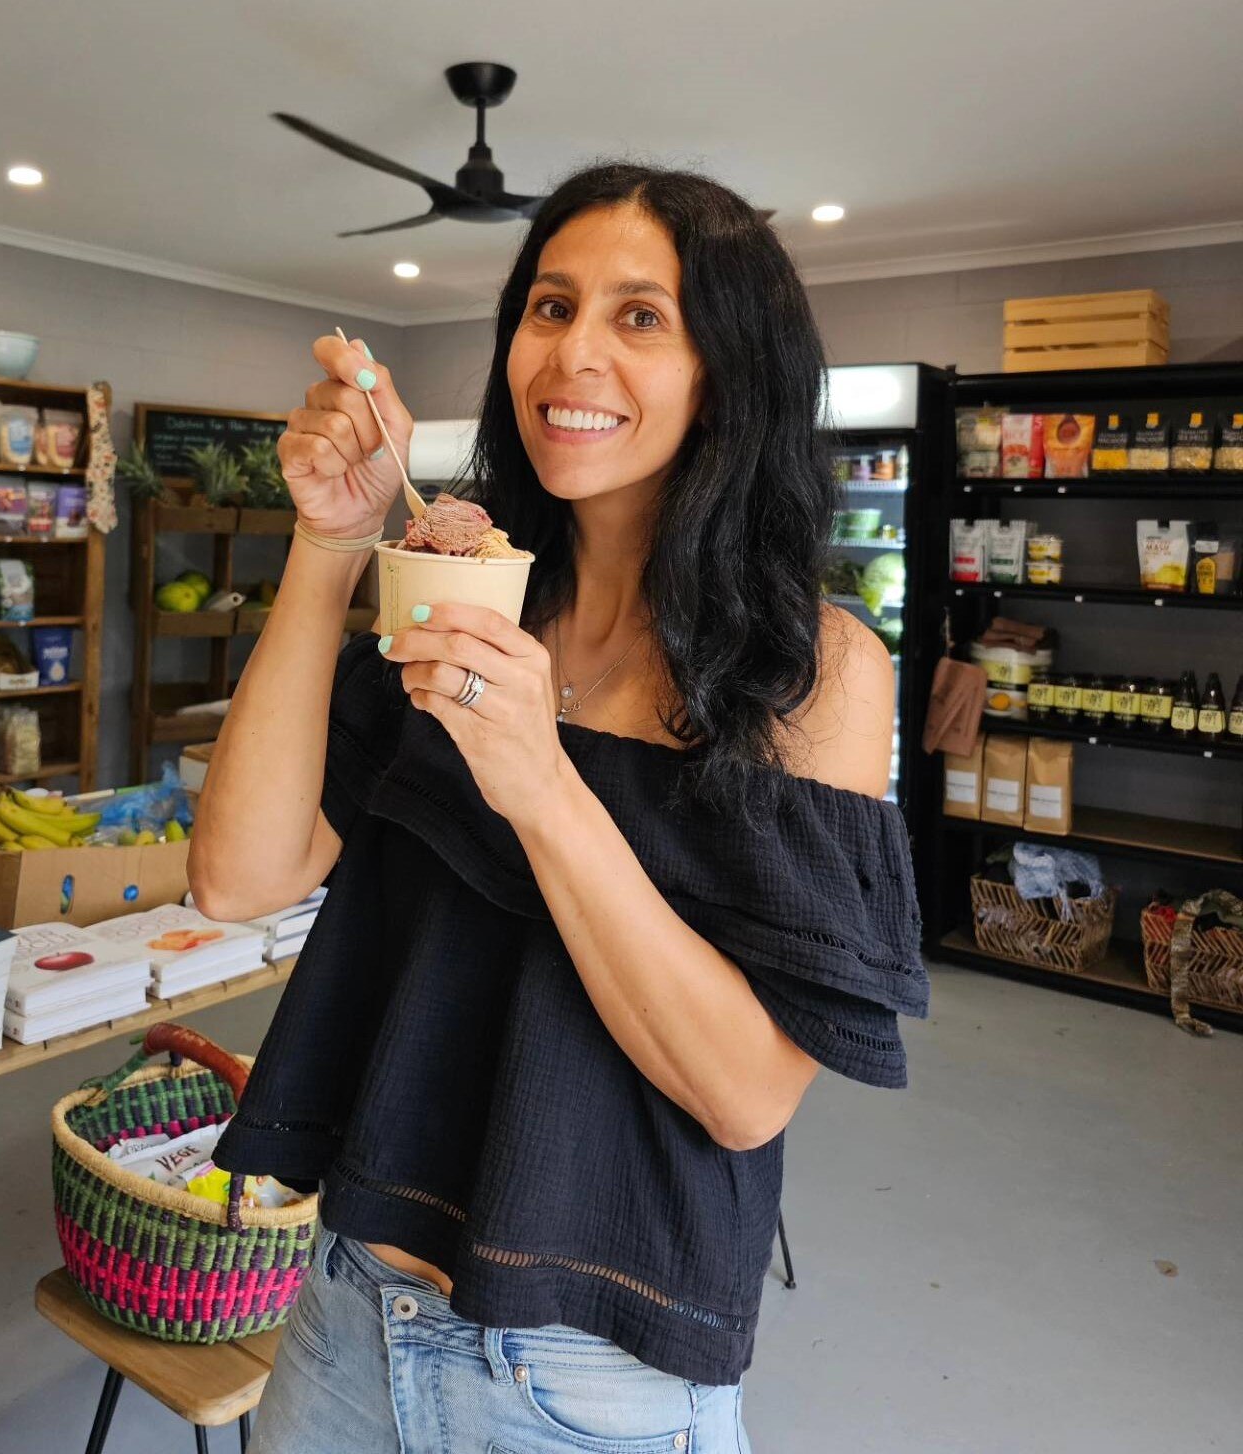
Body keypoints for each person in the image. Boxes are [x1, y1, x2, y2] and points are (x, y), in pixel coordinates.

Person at [193, 161, 929, 1453]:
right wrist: (330, 547)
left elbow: (746, 1093)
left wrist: (540, 782)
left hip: (586, 1376)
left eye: (639, 316)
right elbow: (240, 878)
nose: (572, 354)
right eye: (549, 306)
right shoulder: (457, 601)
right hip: (343, 1313)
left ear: (728, 365)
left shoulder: (810, 673)